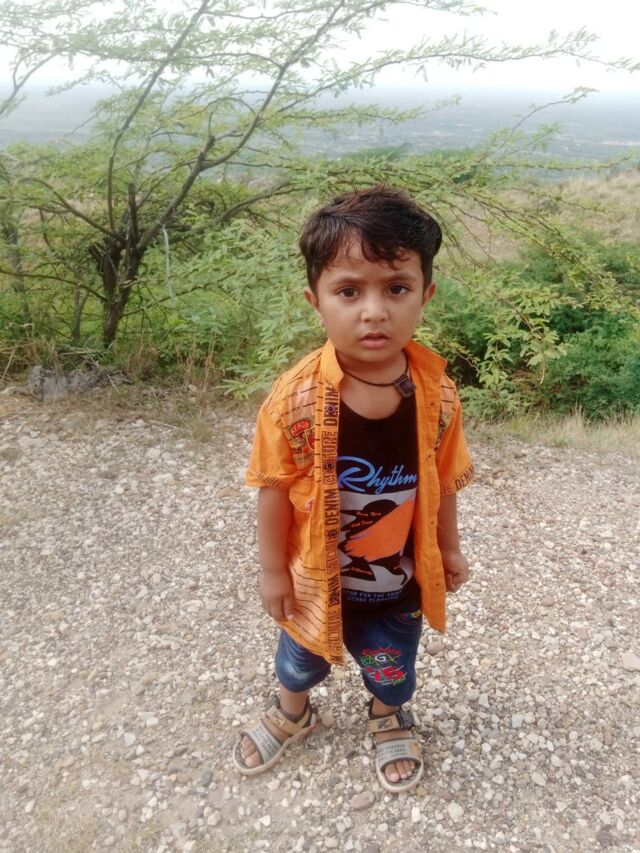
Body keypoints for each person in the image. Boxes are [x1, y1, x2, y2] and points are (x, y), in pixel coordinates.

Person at [233, 186, 474, 793]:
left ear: (425, 294)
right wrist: (272, 572)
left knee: (394, 664)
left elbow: (444, 481)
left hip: (398, 582)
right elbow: (272, 487)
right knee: (299, 659)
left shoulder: (438, 395)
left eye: (396, 288)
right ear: (315, 301)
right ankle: (293, 712)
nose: (374, 312)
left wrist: (449, 548)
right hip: (316, 577)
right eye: (348, 291)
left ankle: (387, 714)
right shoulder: (293, 399)